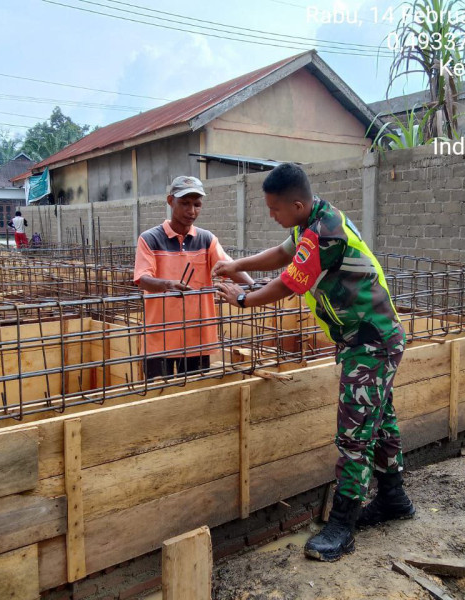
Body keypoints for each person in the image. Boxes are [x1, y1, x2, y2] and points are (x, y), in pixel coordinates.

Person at [213, 163, 413, 562]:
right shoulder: (311, 222)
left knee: (354, 436)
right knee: (380, 421)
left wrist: (241, 298)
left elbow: (289, 281)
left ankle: (342, 524)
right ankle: (394, 499)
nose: (272, 215)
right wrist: (239, 265)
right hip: (368, 339)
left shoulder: (324, 233)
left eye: (274, 209)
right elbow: (284, 253)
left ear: (298, 203)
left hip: (371, 343)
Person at [134, 175, 253, 380]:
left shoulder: (206, 240)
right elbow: (142, 278)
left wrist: (254, 285)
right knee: (158, 396)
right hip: (159, 337)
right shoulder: (150, 239)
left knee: (196, 396)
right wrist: (168, 284)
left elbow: (229, 267)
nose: (191, 211)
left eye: (197, 204)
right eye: (185, 203)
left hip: (197, 336)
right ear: (171, 201)